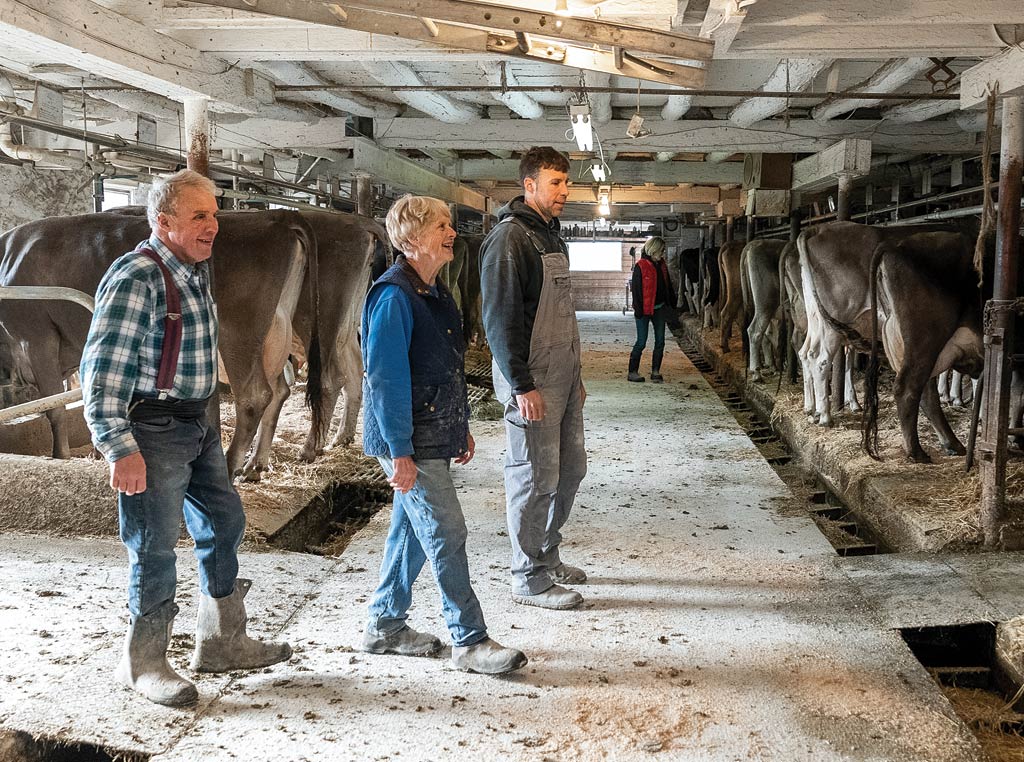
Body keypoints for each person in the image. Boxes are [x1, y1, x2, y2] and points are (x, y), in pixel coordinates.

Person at [80, 169, 291, 707]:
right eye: (200, 216)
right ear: (163, 220)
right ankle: (145, 660)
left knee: (224, 521)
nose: (213, 225)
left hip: (197, 421)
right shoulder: (138, 277)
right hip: (152, 429)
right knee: (153, 545)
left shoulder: (193, 272)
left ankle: (222, 641)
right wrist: (118, 447)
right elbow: (102, 371)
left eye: (215, 213)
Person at [360, 194, 527, 676]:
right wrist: (399, 453)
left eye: (449, 224)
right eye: (441, 226)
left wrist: (461, 427)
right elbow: (385, 381)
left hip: (431, 430)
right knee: (447, 531)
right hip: (407, 438)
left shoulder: (434, 291)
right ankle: (469, 638)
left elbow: (444, 370)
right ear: (411, 240)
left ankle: (385, 626)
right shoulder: (394, 297)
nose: (451, 232)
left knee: (412, 530)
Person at [479, 146, 588, 611]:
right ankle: (528, 576)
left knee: (570, 470)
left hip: (562, 374)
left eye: (566, 182)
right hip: (533, 380)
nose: (565, 191)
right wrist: (522, 385)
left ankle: (547, 553)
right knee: (533, 475)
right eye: (556, 183)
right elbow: (499, 320)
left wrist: (576, 373)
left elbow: (565, 316)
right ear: (530, 185)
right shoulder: (511, 239)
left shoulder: (551, 237)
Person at [628, 236, 674, 383]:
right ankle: (632, 372)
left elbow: (667, 285)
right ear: (654, 250)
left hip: (659, 308)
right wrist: (638, 310)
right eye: (661, 250)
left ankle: (655, 371)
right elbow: (635, 290)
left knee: (660, 341)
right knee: (641, 341)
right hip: (644, 310)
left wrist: (672, 302)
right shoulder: (640, 266)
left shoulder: (662, 265)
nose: (663, 253)